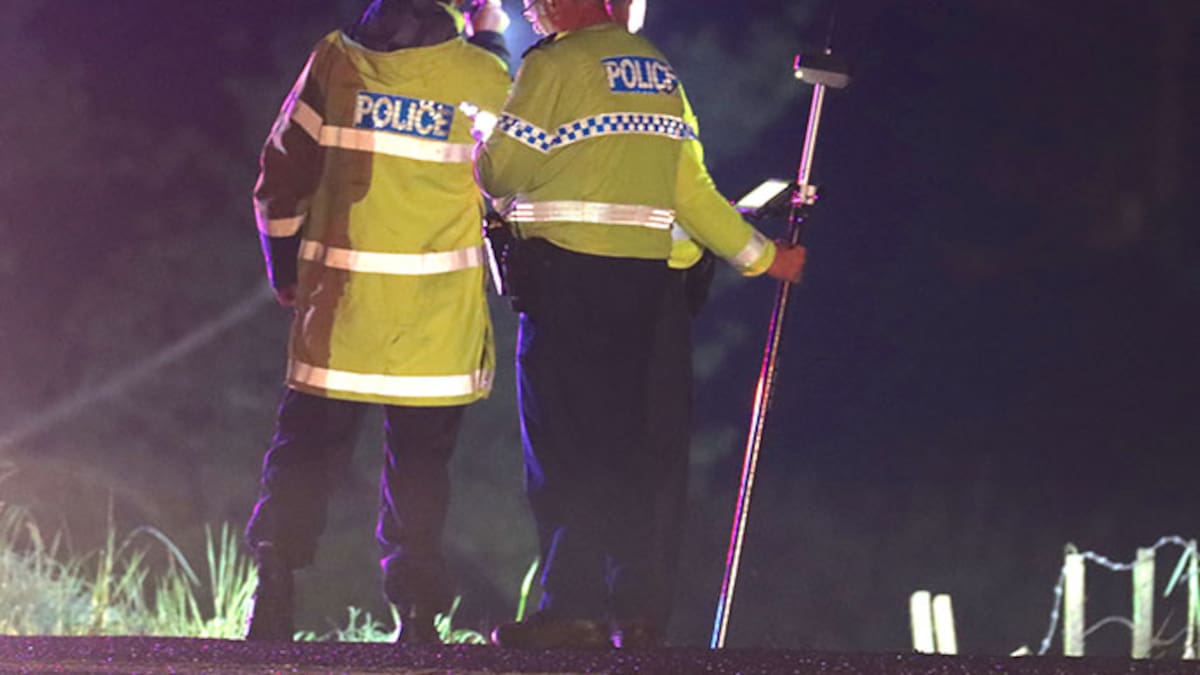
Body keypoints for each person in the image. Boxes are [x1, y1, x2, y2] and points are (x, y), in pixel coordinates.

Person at [474, 0, 806, 649]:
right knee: (629, 449)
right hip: (644, 288)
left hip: (565, 282)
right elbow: (692, 192)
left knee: (565, 449)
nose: (532, 13)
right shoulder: (659, 72)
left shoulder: (554, 65)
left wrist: (485, 152)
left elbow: (500, 171)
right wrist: (766, 258)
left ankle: (571, 609)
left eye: (537, 2)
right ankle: (637, 611)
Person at [243, 0, 511, 644]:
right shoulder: (481, 74)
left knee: (306, 452)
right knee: (419, 468)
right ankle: (416, 616)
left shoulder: (335, 59)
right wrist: (492, 40)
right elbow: (511, 178)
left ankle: (274, 587)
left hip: (341, 307)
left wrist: (284, 265)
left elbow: (281, 171)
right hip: (434, 319)